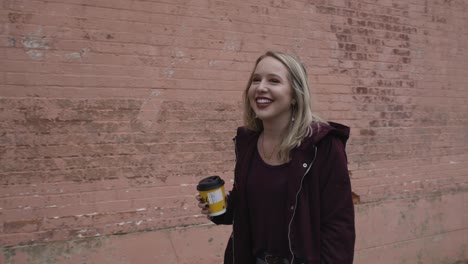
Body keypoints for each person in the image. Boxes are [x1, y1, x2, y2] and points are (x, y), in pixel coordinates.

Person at [196, 51, 355, 264]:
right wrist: (219, 209)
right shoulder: (247, 142)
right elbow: (248, 206)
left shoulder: (322, 146)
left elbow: (338, 225)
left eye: (274, 81)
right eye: (255, 80)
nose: (261, 87)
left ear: (295, 94)